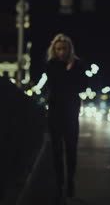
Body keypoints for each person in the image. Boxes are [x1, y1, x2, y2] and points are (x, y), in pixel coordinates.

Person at [45, 33, 87, 202]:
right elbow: (55, 84)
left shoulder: (78, 64)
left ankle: (70, 182)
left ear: (69, 49)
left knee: (71, 149)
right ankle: (59, 184)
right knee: (56, 151)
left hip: (71, 112)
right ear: (54, 50)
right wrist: (68, 72)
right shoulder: (51, 64)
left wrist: (71, 71)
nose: (61, 51)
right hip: (55, 112)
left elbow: (82, 86)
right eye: (58, 49)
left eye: (64, 48)